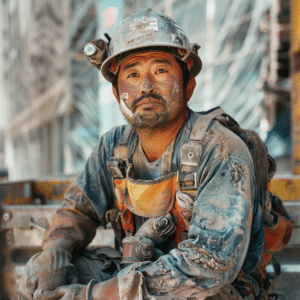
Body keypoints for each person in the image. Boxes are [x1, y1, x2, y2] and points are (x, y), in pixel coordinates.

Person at [19, 8, 265, 300]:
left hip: (209, 288)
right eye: (133, 74)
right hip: (136, 272)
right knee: (39, 275)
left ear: (189, 86)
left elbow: (211, 265)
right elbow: (78, 211)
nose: (145, 87)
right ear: (116, 92)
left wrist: (95, 295)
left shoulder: (221, 149)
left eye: (160, 70)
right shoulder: (114, 146)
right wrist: (56, 251)